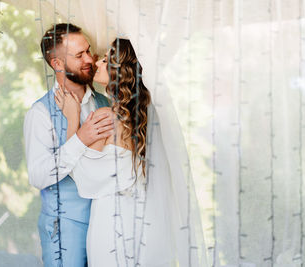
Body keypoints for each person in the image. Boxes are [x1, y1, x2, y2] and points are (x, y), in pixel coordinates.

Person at [55, 38, 207, 266]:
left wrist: (72, 118)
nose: (97, 61)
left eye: (106, 60)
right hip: (139, 223)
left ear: (120, 72)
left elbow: (85, 179)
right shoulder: (139, 119)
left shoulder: (106, 116)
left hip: (111, 227)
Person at [23, 23, 114, 266]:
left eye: (88, 51)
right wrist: (81, 139)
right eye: (79, 55)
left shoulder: (107, 102)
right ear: (57, 64)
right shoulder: (40, 113)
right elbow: (38, 176)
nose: (90, 60)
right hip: (65, 229)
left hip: (106, 224)